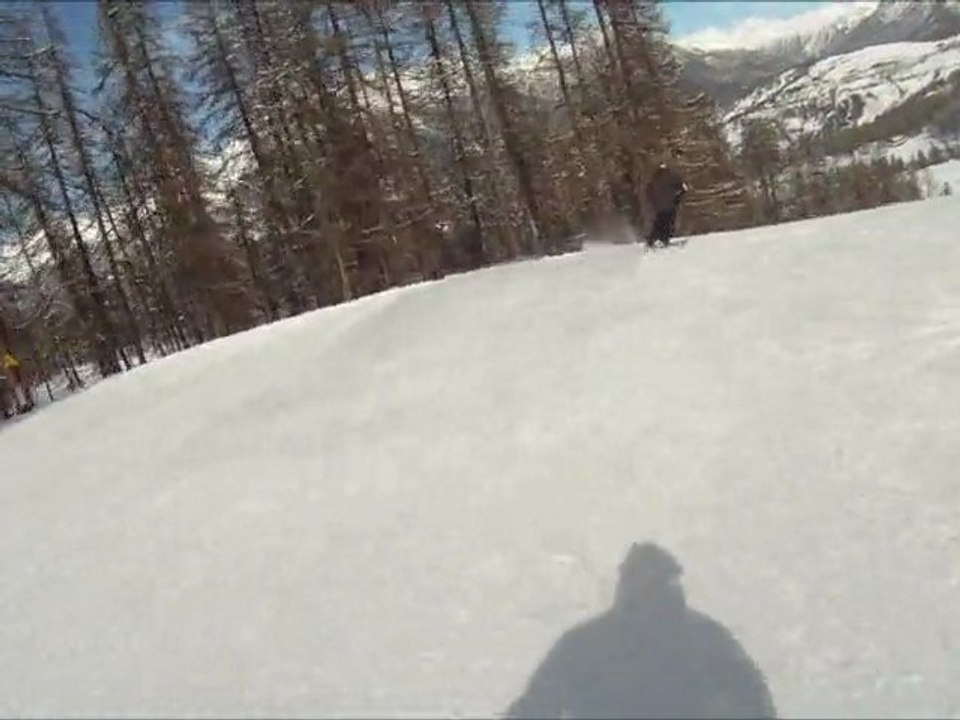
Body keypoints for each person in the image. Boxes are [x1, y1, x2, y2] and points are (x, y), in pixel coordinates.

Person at [507, 542, 777, 719]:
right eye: (642, 579)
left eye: (653, 580)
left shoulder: (585, 644)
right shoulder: (707, 640)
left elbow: (754, 705)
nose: (646, 588)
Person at [645, 160, 688, 249]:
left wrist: (653, 202)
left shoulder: (654, 179)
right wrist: (678, 198)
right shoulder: (672, 177)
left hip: (658, 207)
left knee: (659, 223)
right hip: (670, 205)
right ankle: (664, 240)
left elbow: (648, 191)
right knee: (668, 223)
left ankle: (652, 240)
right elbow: (684, 188)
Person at [2, 348, 32, 412]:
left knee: (18, 392)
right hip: (15, 380)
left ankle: (21, 405)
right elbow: (15, 364)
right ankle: (23, 405)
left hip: (14, 381)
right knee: (19, 392)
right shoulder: (9, 360)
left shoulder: (7, 360)